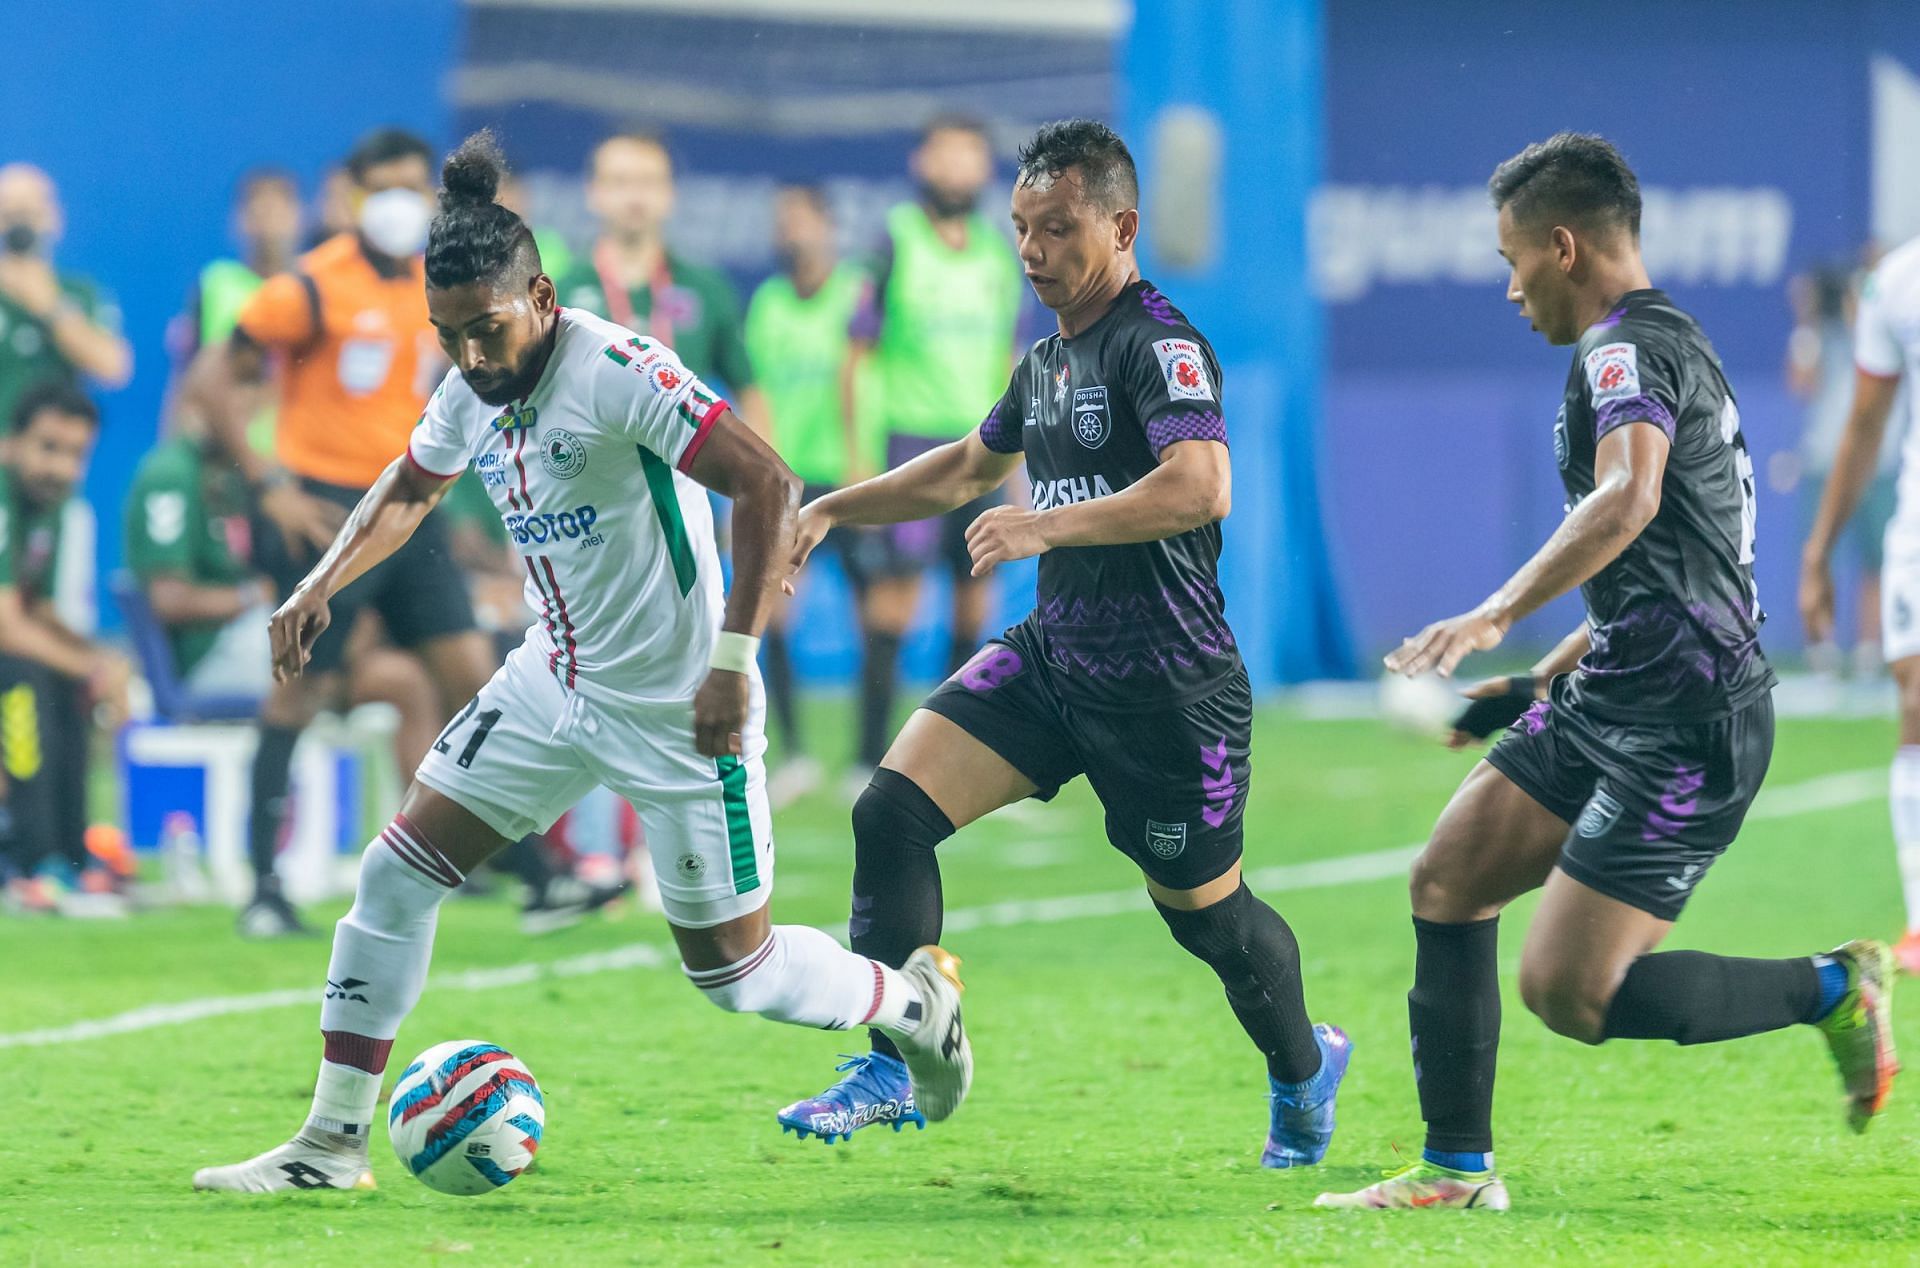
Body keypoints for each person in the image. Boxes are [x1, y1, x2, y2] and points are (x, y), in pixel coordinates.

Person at [190, 132, 970, 1194]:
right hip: (553, 682)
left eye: (488, 329)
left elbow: (769, 483)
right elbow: (411, 487)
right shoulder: (474, 377)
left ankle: (912, 1004)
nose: (471, 356)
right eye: (448, 334)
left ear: (543, 295)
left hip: (683, 705)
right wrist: (318, 582)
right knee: (392, 876)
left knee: (733, 973)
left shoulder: (618, 369)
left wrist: (735, 662)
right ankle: (330, 1144)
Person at [1320, 133, 1895, 1213]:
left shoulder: (1620, 352)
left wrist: (1492, 612)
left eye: (1513, 257)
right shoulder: (1676, 343)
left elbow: (1627, 500)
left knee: (1569, 992)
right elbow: (1676, 562)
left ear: (1565, 246)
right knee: (1446, 879)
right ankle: (1454, 1170)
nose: (1509, 285)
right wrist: (1536, 680)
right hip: (1615, 686)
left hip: (1688, 719)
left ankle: (1832, 985)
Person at [774, 120, 1346, 1164]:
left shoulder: (1157, 341)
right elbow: (959, 469)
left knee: (1208, 920)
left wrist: (1045, 522)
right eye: (1022, 229)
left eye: (1058, 228)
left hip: (1169, 687)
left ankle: (1306, 1068)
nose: (1033, 251)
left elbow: (1200, 484)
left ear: (1123, 227)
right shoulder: (1044, 361)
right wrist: (828, 508)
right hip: (1057, 656)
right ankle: (894, 1060)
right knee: (891, 810)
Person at [176, 127, 499, 938]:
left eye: (410, 186)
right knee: (303, 691)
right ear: (351, 196)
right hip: (323, 508)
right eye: (380, 186)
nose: (397, 202)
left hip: (408, 499)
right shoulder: (311, 286)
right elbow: (214, 375)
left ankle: (526, 866)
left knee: (474, 673)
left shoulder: (437, 283)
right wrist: (268, 484)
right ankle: (263, 883)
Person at [842, 116, 1025, 787]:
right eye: (945, 155)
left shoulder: (996, 251)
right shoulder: (895, 239)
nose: (956, 169)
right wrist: (861, 453)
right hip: (910, 443)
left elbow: (1013, 358)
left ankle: (947, 758)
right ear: (923, 161)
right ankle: (867, 757)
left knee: (973, 600)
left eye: (969, 156)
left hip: (985, 444)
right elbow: (856, 351)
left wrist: (1019, 461)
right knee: (894, 601)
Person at [1802, 234, 1920, 976]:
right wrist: (1819, 552)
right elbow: (1866, 422)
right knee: (1914, 699)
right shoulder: (1897, 285)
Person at [744, 185, 872, 805]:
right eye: (782, 220)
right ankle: (791, 752)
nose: (791, 231)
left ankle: (870, 756)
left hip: (852, 478)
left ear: (828, 226)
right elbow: (757, 391)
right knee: (780, 611)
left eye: (801, 218)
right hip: (791, 481)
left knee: (879, 610)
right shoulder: (767, 303)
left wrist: (862, 457)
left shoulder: (857, 295)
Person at [0, 382, 130, 914]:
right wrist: (93, 666)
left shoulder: (53, 510)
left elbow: (45, 612)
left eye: (76, 454)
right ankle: (34, 858)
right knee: (24, 678)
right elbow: (8, 626)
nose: (61, 467)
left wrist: (104, 664)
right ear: (11, 443)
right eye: (48, 447)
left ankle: (71, 856)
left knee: (68, 681)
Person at [552, 131, 762, 423]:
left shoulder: (707, 290)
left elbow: (751, 395)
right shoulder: (561, 294)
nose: (635, 197)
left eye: (649, 182)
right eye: (620, 182)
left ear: (670, 193)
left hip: (683, 465)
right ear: (593, 192)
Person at [1789, 263, 1898, 680]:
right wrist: (1808, 322)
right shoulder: (1822, 339)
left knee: (1878, 559)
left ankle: (1872, 651)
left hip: (1877, 463)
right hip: (1824, 461)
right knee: (1818, 555)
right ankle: (1823, 654)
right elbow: (1801, 382)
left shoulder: (1887, 339)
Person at [0, 164, 132, 429]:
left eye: (30, 213)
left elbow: (113, 368)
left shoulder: (80, 294)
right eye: (11, 214)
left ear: (54, 218)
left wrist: (50, 307)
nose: (21, 226)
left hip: (52, 457)